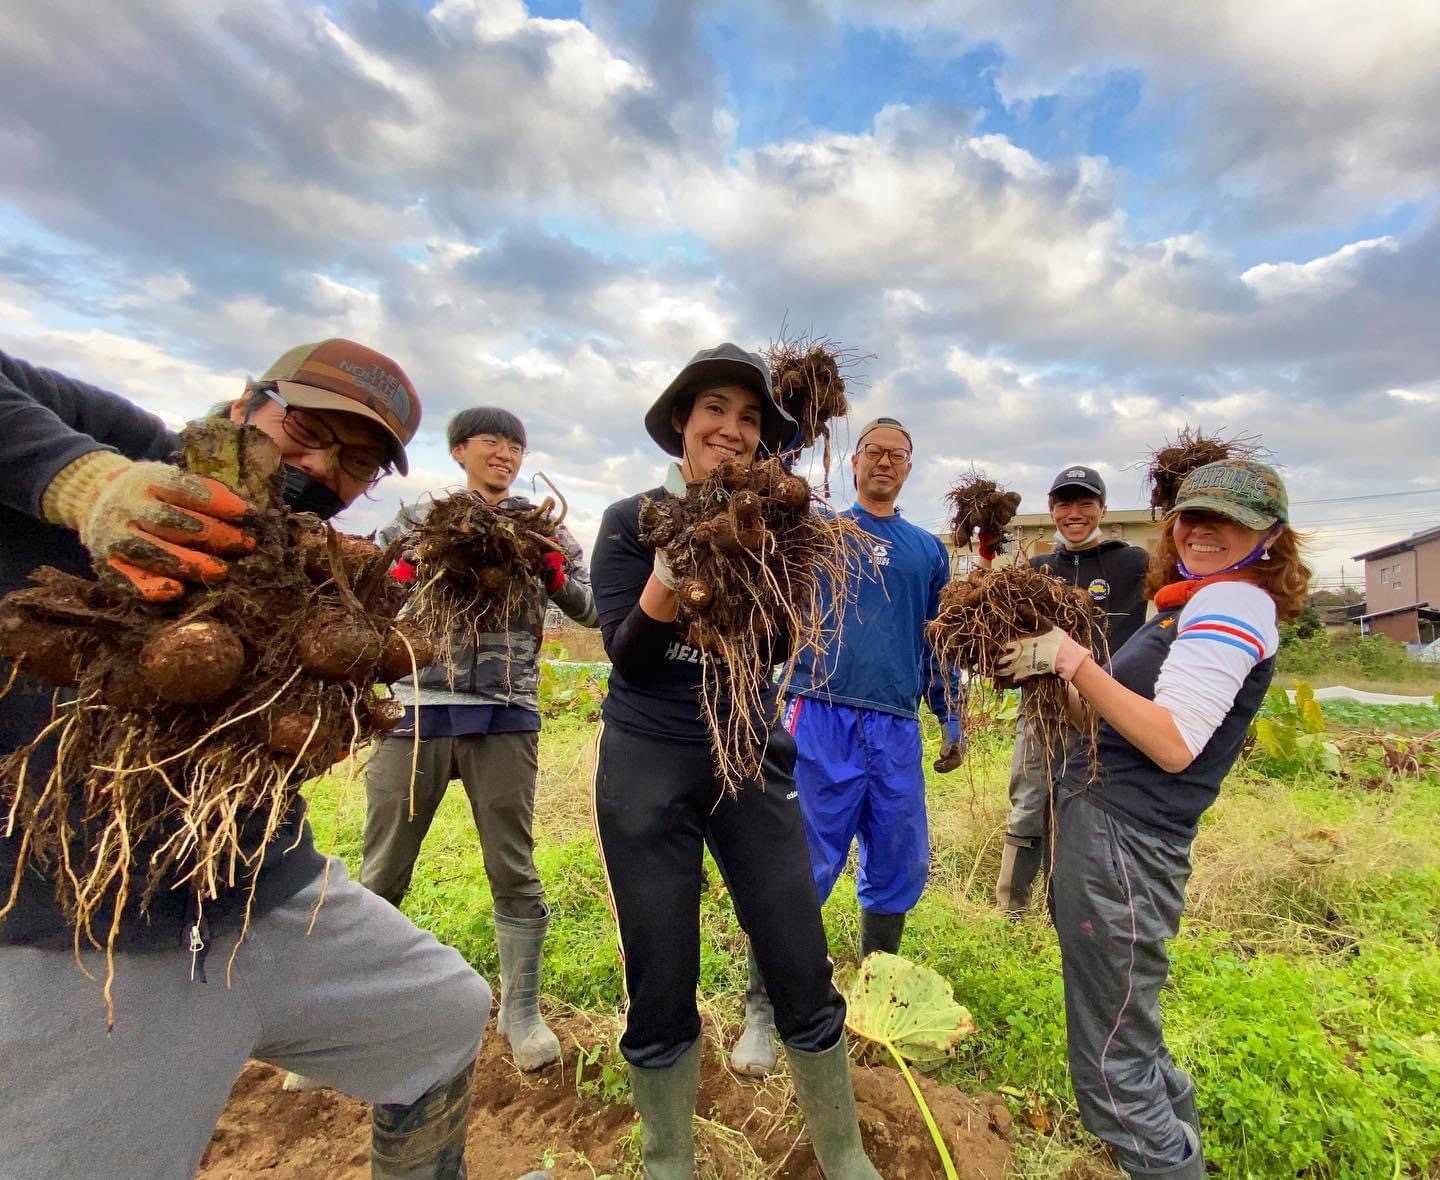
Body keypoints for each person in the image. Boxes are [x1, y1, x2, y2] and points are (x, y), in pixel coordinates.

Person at [0, 342, 491, 1180]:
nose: (320, 465)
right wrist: (86, 485)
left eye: (357, 460)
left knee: (445, 1015)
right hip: (76, 926)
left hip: (270, 887)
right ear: (245, 405)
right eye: (305, 428)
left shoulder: (303, 567)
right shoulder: (139, 454)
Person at [590, 343, 879, 1178]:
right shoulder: (630, 518)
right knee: (661, 966)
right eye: (716, 409)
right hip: (648, 761)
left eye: (751, 418)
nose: (734, 428)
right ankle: (667, 1160)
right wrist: (669, 577)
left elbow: (783, 644)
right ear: (681, 420)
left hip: (748, 753)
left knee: (796, 948)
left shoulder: (779, 528)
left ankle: (842, 1150)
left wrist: (759, 565)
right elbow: (630, 657)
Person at [998, 458, 1310, 1178]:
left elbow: (1172, 743)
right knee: (1130, 1040)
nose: (1202, 530)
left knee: (1112, 1070)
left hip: (1126, 847)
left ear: (1271, 539)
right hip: (1105, 828)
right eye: (1192, 515)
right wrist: (1055, 676)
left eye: (1227, 520)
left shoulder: (1232, 605)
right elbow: (1114, 724)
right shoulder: (1192, 602)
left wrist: (1074, 659)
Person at [360, 406, 597, 1073]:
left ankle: (520, 1012)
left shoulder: (541, 527)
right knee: (382, 869)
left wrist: (552, 572)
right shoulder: (418, 521)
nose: (506, 453)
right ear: (461, 450)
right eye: (492, 442)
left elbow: (592, 608)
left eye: (516, 445)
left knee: (513, 870)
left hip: (505, 710)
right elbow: (367, 595)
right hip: (418, 708)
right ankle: (361, 1007)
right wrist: (405, 574)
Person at [728, 415, 964, 1078]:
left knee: (898, 862)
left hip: (894, 725)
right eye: (874, 452)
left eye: (898, 454)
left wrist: (951, 717)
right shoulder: (820, 529)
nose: (885, 463)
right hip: (818, 713)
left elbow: (940, 642)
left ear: (909, 469)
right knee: (796, 864)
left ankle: (875, 1000)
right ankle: (761, 1011)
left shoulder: (927, 551)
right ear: (853, 463)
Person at [996, 464, 1151, 913]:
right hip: (1041, 708)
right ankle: (1012, 909)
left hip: (1104, 708)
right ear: (1052, 509)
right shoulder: (1040, 568)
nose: (1075, 513)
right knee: (1028, 803)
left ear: (1102, 508)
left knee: (1084, 810)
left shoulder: (1133, 562)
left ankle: (1064, 909)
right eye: (1065, 503)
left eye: (1086, 502)